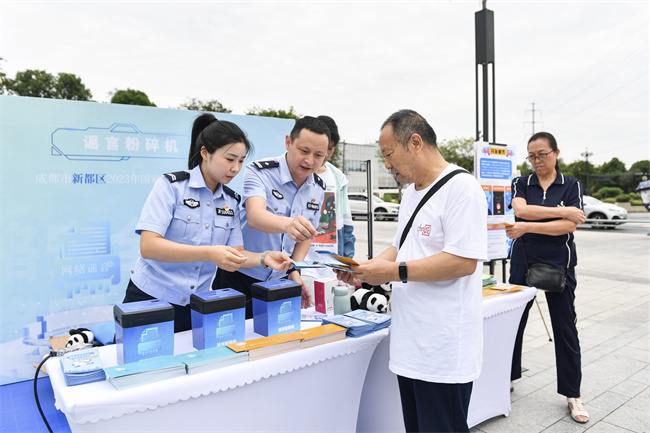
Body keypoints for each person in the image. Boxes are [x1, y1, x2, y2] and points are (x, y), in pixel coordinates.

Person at [336, 109, 487, 433]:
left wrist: (392, 272)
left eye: (389, 154)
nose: (387, 164)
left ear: (415, 142)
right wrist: (366, 269)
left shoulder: (463, 189)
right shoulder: (412, 194)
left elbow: (463, 262)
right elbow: (400, 248)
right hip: (411, 344)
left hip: (444, 348)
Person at [123, 113, 293, 333]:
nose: (236, 168)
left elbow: (236, 253)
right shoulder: (171, 187)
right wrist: (209, 253)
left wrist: (264, 258)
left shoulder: (231, 201)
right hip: (151, 298)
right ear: (205, 153)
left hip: (195, 304)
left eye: (241, 161)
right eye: (229, 159)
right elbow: (148, 246)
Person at [506, 131, 589, 423]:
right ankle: (508, 377)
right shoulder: (521, 182)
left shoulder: (571, 185)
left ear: (555, 153)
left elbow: (568, 227)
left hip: (559, 263)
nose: (536, 160)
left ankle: (573, 394)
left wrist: (527, 226)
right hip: (523, 262)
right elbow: (520, 209)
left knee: (565, 328)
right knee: (513, 321)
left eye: (542, 154)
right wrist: (561, 212)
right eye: (531, 156)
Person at [212, 116, 330, 318]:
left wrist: (295, 268)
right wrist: (289, 224)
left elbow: (307, 236)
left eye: (318, 155)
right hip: (240, 275)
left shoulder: (319, 187)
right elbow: (255, 216)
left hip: (280, 281)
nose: (310, 160)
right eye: (304, 151)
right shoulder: (260, 172)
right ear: (288, 142)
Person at [301, 115, 356, 292]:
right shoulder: (300, 172)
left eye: (330, 148)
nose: (326, 154)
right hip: (302, 265)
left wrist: (347, 264)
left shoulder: (337, 177)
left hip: (330, 267)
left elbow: (346, 226)